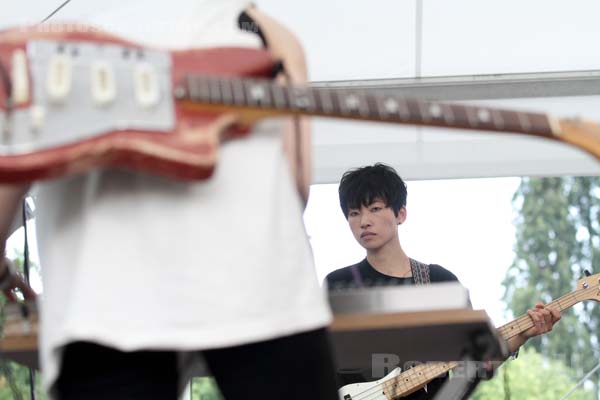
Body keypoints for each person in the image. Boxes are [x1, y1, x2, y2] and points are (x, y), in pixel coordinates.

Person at [0, 2, 338, 399]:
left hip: (103, 296)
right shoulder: (264, 34)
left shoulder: (51, 39)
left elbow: (8, 174)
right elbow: (296, 179)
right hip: (256, 281)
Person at [325, 163, 561, 400]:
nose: (364, 221)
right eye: (354, 213)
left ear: (401, 214)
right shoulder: (339, 285)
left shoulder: (438, 282)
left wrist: (521, 335)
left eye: (375, 208)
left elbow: (474, 367)